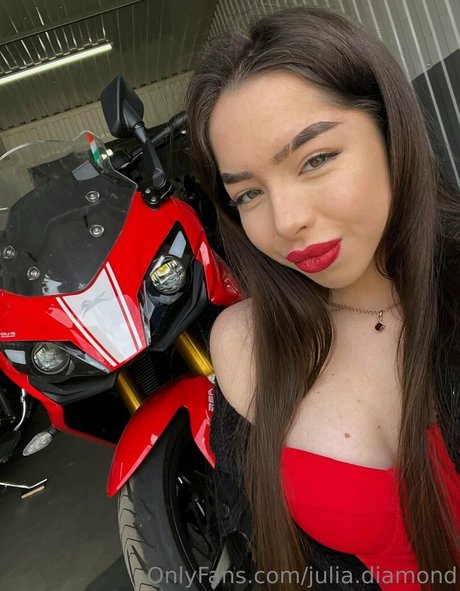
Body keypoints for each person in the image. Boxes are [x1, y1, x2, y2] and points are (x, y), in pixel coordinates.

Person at [185, 6, 459, 591]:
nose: (285, 221)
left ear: (390, 134)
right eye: (249, 193)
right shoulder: (247, 345)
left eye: (315, 159)